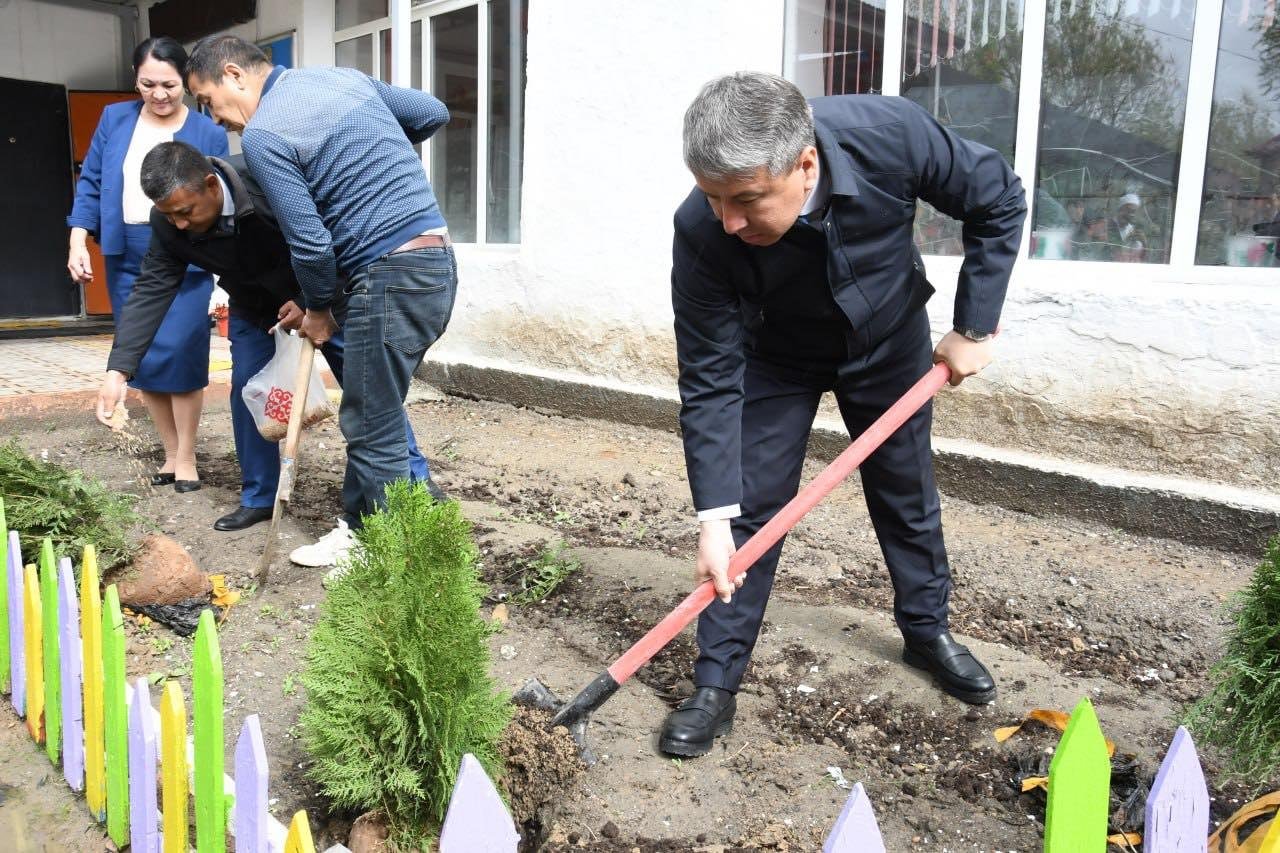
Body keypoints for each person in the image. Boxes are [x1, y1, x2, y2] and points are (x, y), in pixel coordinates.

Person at [662, 72, 1026, 758]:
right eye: (712, 198)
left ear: (806, 166)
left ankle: (927, 632)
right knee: (749, 510)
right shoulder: (701, 231)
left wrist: (975, 325)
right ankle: (716, 681)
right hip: (776, 356)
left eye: (746, 200)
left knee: (905, 489)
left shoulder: (891, 135)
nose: (728, 220)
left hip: (888, 339)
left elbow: (999, 196)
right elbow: (708, 378)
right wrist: (712, 518)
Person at [184, 35, 457, 569]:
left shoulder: (264, 134)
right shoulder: (340, 79)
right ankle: (368, 526)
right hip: (434, 265)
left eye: (209, 101)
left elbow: (310, 244)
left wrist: (317, 310)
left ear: (234, 74)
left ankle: (391, 560)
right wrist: (365, 151)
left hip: (386, 274)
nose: (216, 119)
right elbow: (432, 112)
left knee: (371, 426)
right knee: (371, 409)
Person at [94, 142, 440, 539]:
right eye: (169, 215)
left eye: (186, 212)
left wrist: (310, 302)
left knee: (369, 392)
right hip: (255, 307)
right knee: (249, 389)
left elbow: (342, 239)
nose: (180, 225)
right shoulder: (168, 223)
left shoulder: (269, 179)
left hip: (326, 299)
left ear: (211, 184)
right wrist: (118, 371)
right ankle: (259, 497)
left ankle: (416, 483)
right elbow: (152, 288)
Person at [67, 37, 228, 491]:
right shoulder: (114, 118)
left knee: (181, 350)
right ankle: (170, 452)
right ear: (135, 79)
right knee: (145, 353)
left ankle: (189, 454)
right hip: (127, 248)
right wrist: (78, 238)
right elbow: (92, 181)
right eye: (147, 84)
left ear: (186, 82)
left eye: (169, 85)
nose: (158, 94)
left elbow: (214, 199)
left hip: (185, 248)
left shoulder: (207, 131)